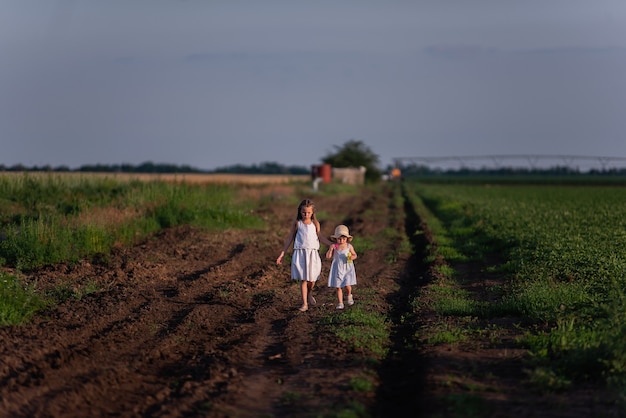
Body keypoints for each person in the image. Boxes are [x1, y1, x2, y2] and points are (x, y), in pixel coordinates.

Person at [276, 199, 333, 312]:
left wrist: (331, 244)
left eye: (308, 212)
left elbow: (320, 237)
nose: (306, 214)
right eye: (303, 212)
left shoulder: (315, 224)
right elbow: (290, 238)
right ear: (300, 212)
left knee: (312, 279)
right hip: (301, 253)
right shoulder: (297, 223)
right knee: (303, 279)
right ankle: (304, 303)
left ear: (312, 213)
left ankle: (309, 293)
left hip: (312, 253)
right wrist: (282, 253)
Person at [326, 224, 357, 310]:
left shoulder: (349, 246)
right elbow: (328, 257)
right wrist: (330, 249)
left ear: (347, 239)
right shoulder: (335, 247)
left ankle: (349, 295)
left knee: (347, 284)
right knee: (338, 286)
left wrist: (352, 257)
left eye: (344, 238)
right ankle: (340, 302)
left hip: (347, 268)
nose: (341, 240)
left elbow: (355, 255)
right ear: (336, 239)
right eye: (339, 238)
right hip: (337, 268)